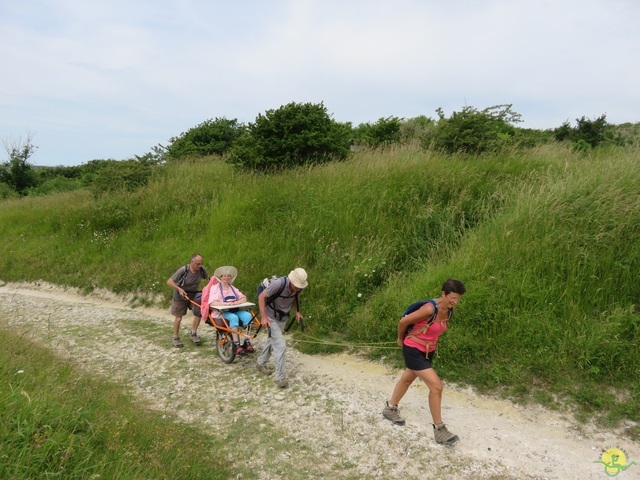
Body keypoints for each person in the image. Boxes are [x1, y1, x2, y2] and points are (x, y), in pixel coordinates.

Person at [382, 278, 466, 446]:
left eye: (458, 299)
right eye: (453, 298)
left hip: (428, 351)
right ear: (443, 294)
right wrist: (400, 339)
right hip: (413, 349)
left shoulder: (449, 310)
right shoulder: (429, 309)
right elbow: (403, 321)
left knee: (407, 378)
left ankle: (390, 408)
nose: (455, 302)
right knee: (436, 387)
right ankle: (439, 429)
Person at [256, 268, 308, 388]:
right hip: (270, 317)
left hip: (283, 317)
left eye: (300, 287)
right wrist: (264, 317)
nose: (298, 288)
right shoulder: (279, 283)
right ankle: (280, 378)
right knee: (280, 345)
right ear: (292, 280)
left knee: (272, 341)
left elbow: (296, 298)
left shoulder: (298, 289)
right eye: (296, 285)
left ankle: (260, 363)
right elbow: (261, 297)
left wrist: (297, 312)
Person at [207, 266, 255, 355]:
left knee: (248, 316)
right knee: (233, 318)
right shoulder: (215, 288)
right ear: (220, 277)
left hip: (234, 309)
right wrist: (226, 304)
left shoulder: (232, 288)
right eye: (224, 276)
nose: (226, 278)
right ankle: (236, 344)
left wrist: (237, 302)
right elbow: (212, 303)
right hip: (221, 312)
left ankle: (247, 341)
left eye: (228, 276)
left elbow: (244, 298)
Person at [167, 253, 210, 348]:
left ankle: (193, 333)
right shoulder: (184, 270)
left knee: (199, 311)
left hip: (193, 294)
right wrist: (179, 289)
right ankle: (175, 337)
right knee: (178, 318)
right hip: (180, 295)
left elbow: (208, 279)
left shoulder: (201, 270)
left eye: (201, 263)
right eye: (198, 264)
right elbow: (169, 281)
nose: (200, 266)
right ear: (192, 262)